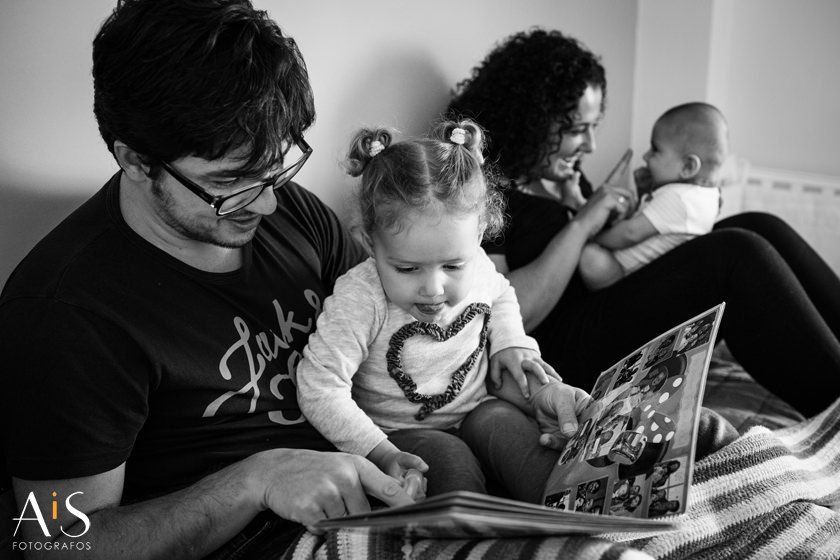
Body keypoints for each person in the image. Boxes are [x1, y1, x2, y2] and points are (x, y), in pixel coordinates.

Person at [0, 4, 589, 559]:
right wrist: (256, 480)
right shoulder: (66, 312)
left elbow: (402, 336)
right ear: (135, 160)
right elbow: (54, 543)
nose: (267, 199)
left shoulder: (291, 212)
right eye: (233, 180)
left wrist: (522, 389)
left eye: (279, 163)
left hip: (386, 486)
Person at [447, 27, 840, 419]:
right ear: (532, 120)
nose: (591, 145)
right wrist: (581, 224)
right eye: (576, 130)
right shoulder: (484, 185)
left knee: (758, 225)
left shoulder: (557, 171)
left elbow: (603, 240)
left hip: (607, 299)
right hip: (564, 348)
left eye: (593, 126)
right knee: (736, 253)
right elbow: (502, 316)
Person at [296, 119, 588, 500]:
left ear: (480, 234)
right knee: (449, 464)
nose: (434, 289)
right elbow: (319, 386)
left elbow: (500, 294)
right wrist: (381, 453)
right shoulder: (359, 298)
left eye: (452, 266)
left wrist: (511, 342)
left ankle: (573, 516)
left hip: (477, 408)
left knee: (521, 439)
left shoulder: (479, 264)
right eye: (407, 268)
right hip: (398, 433)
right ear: (369, 242)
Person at [579, 102, 728, 290]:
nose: (646, 156)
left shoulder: (680, 199)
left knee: (589, 256)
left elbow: (630, 234)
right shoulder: (706, 196)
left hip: (624, 276)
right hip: (650, 275)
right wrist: (646, 192)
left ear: (688, 167)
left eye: (655, 149)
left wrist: (589, 236)